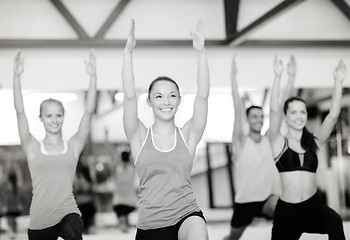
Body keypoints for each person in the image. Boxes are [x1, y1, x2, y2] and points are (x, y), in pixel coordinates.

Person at [122, 19, 209, 240]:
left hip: (187, 215)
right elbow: (130, 96)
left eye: (172, 95)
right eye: (158, 96)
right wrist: (127, 53)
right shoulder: (139, 136)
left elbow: (203, 95)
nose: (166, 101)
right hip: (150, 225)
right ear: (149, 102)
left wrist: (201, 52)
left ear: (179, 100)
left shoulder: (188, 135)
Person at [13, 49, 97, 240]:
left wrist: (93, 77)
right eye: (49, 115)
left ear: (63, 117)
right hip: (40, 220)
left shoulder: (74, 146)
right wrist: (16, 77)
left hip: (68, 213)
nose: (54, 120)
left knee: (73, 232)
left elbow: (89, 112)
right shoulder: (32, 147)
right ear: (41, 118)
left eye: (58, 115)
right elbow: (19, 112)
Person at [269, 57, 347, 240]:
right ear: (286, 117)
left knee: (334, 220)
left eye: (302, 111)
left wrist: (337, 82)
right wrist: (277, 77)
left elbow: (333, 115)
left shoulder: (314, 141)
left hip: (314, 206)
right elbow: (273, 111)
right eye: (293, 112)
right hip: (288, 212)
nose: (299, 116)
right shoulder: (278, 141)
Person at [224, 55, 296, 240]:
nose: (259, 119)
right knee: (232, 238)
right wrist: (233, 77)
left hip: (267, 199)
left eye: (260, 116)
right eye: (254, 116)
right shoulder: (240, 141)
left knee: (284, 208)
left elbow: (279, 110)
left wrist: (290, 77)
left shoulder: (269, 140)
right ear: (248, 120)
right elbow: (237, 108)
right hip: (244, 202)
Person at [112, 150, 138, 233]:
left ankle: (124, 229)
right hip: (130, 201)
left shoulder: (117, 169)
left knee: (123, 225)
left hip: (119, 200)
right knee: (126, 223)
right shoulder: (132, 169)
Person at [73, 156, 97, 234]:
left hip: (85, 205)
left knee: (87, 231)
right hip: (83, 205)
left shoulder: (84, 178)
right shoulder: (76, 177)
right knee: (86, 231)